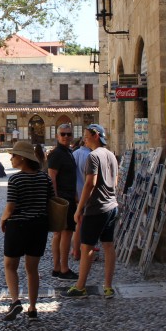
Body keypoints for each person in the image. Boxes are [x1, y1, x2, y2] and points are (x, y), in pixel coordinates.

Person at [0, 140, 54, 321]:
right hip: (39, 227)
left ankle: (15, 301)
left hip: (18, 226)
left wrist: (3, 219)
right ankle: (32, 307)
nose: (11, 159)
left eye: (13, 156)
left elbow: (11, 206)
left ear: (22, 158)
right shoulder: (45, 178)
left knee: (10, 265)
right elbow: (52, 202)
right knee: (32, 269)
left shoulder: (15, 179)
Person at [66, 124, 119, 299]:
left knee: (86, 246)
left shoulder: (93, 156)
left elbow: (90, 183)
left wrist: (79, 208)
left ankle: (80, 286)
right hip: (112, 206)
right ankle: (108, 287)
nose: (84, 139)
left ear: (96, 136)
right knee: (108, 245)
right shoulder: (111, 155)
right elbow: (116, 181)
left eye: (87, 136)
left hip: (96, 208)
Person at [46, 124, 79, 282]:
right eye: (63, 134)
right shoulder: (57, 154)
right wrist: (56, 199)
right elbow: (52, 177)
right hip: (63, 200)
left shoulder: (68, 152)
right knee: (65, 234)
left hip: (68, 198)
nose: (66, 136)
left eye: (68, 134)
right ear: (57, 136)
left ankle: (57, 268)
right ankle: (63, 269)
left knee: (59, 234)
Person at [71, 134, 93, 262]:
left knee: (78, 223)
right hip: (85, 193)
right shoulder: (90, 156)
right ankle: (78, 251)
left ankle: (75, 249)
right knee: (82, 224)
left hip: (76, 192)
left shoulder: (75, 154)